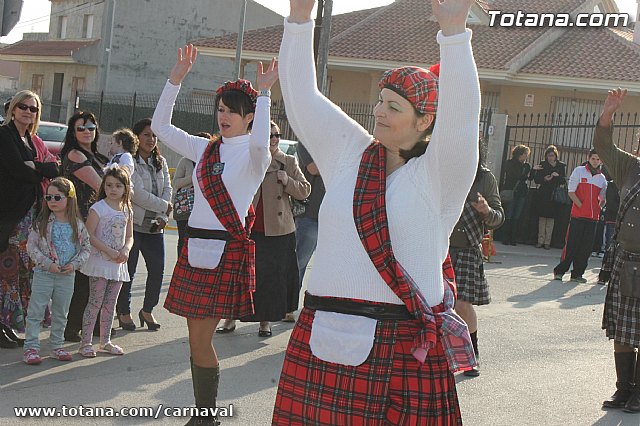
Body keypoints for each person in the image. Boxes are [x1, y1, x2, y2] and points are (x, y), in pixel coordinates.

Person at [272, 0, 479, 423]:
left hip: (401, 346)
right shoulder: (349, 153)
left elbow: (460, 121)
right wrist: (298, 19)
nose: (379, 111)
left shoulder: (440, 176)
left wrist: (455, 33)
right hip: (321, 333)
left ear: (425, 122)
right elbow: (301, 99)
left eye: (394, 107)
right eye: (381, 100)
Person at [151, 43, 278, 425]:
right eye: (220, 109)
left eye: (231, 111)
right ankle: (204, 413)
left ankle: (205, 416)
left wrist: (267, 92)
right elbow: (160, 127)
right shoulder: (205, 149)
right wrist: (175, 80)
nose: (223, 116)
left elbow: (259, 140)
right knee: (195, 338)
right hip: (195, 248)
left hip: (224, 251)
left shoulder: (257, 155)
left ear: (248, 117)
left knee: (199, 340)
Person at [222, 121, 310, 336]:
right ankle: (230, 317)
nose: (273, 139)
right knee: (239, 275)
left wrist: (287, 181)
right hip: (246, 228)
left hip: (278, 230)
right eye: (269, 135)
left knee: (270, 279)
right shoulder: (247, 159)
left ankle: (265, 321)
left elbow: (305, 190)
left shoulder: (287, 161)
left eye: (276, 135)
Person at [0, 91, 59, 349]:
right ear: (13, 109)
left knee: (24, 273)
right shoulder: (4, 135)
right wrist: (37, 169)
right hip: (11, 216)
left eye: (33, 108)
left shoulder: (31, 139)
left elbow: (55, 167)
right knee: (7, 273)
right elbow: (16, 170)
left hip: (31, 215)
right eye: (22, 106)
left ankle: (7, 325)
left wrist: (34, 166)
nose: (27, 111)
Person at [596, 88, 640, 412]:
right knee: (623, 332)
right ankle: (623, 389)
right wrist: (608, 113)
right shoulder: (629, 167)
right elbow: (603, 147)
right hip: (627, 262)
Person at [23, 177, 91, 364]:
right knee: (36, 311)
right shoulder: (42, 223)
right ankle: (31, 347)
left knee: (61, 312)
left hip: (66, 276)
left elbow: (86, 248)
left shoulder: (77, 225)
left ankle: (57, 345)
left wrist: (74, 265)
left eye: (57, 197)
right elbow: (31, 246)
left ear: (69, 198)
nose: (52, 201)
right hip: (44, 274)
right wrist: (46, 263)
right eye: (49, 197)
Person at [449, 154, 504, 377]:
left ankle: (472, 355)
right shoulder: (444, 168)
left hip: (467, 248)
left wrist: (486, 211)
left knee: (461, 304)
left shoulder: (484, 177)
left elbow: (499, 217)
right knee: (436, 305)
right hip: (439, 246)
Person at [116, 118, 172, 332]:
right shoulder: (129, 161)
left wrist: (163, 216)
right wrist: (165, 206)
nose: (151, 139)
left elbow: (168, 188)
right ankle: (124, 311)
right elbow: (136, 194)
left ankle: (147, 309)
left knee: (157, 270)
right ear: (137, 136)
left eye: (154, 135)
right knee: (128, 271)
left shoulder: (161, 161)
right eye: (147, 135)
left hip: (155, 227)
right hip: (133, 225)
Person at [60, 111, 110, 342]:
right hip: (80, 221)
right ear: (73, 132)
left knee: (96, 275)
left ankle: (93, 325)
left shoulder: (97, 155)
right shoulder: (75, 154)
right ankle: (72, 327)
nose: (87, 131)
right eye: (81, 128)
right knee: (82, 276)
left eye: (91, 127)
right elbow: (102, 186)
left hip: (98, 221)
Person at [79, 166, 133, 357]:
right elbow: (89, 235)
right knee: (95, 302)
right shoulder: (98, 208)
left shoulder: (127, 210)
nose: (113, 189)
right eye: (109, 185)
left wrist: (125, 249)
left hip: (117, 265)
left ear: (125, 188)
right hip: (100, 263)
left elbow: (129, 236)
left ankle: (105, 341)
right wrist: (109, 251)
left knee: (110, 304)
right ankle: (85, 342)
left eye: (118, 185)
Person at [553, 149, 607, 283]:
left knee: (586, 248)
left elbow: (603, 198)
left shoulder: (602, 178)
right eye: (593, 158)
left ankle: (577, 274)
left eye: (598, 159)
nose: (596, 161)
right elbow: (571, 192)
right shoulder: (579, 171)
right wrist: (581, 206)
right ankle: (559, 272)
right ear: (588, 158)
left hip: (593, 219)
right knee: (571, 245)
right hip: (577, 216)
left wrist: (597, 208)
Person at [292, 141, 325, 322]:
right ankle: (289, 306)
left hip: (331, 216)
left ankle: (317, 309)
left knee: (325, 267)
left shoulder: (337, 142)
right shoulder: (306, 142)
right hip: (310, 214)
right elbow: (313, 168)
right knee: (299, 263)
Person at [531, 145, 566, 249]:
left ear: (556, 156)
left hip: (554, 194)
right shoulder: (543, 164)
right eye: (548, 156)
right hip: (543, 193)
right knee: (542, 218)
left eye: (552, 155)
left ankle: (548, 242)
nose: (550, 158)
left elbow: (563, 180)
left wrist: (557, 176)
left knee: (551, 219)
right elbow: (536, 180)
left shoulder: (560, 166)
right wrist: (545, 179)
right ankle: (540, 240)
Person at [500, 144, 531, 245]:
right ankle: (505, 237)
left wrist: (533, 171)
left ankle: (513, 238)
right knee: (509, 214)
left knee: (516, 216)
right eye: (525, 154)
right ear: (520, 154)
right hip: (511, 191)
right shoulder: (510, 163)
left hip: (521, 192)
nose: (527, 156)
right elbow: (514, 176)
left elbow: (528, 178)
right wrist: (522, 174)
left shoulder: (526, 166)